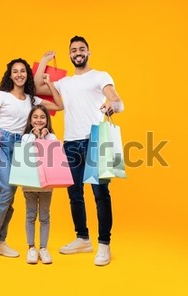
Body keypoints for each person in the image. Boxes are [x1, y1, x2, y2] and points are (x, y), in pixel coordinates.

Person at [34, 36, 124, 266]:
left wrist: (112, 105)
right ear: (70, 54)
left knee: (100, 195)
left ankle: (104, 244)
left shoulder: (100, 76)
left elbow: (116, 99)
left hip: (95, 139)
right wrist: (44, 60)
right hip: (71, 143)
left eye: (81, 49)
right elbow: (36, 86)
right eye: (73, 50)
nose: (77, 52)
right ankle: (82, 238)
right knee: (75, 194)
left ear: (89, 52)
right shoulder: (64, 82)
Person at [0, 58, 60, 261]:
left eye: (22, 71)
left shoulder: (32, 99)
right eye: (15, 71)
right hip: (2, 142)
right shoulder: (2, 95)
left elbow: (59, 106)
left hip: (22, 146)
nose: (19, 75)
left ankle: (0, 241)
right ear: (10, 75)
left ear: (27, 74)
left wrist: (49, 81)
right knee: (6, 190)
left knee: (11, 194)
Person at [21, 105, 57, 264]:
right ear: (30, 120)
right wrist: (34, 137)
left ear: (47, 120)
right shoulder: (25, 137)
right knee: (30, 215)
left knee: (44, 216)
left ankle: (43, 248)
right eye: (35, 117)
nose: (39, 120)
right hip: (29, 183)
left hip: (47, 185)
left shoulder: (52, 138)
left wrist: (43, 138)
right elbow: (26, 154)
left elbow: (50, 157)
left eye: (42, 117)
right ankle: (31, 248)